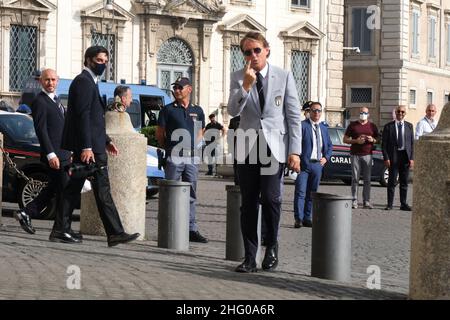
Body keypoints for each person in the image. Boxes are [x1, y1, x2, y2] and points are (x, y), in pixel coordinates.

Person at [227, 31, 302, 273]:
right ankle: (250, 256)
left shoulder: (284, 76)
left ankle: (271, 245)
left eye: (257, 50)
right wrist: (245, 87)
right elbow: (232, 111)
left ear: (266, 50)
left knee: (271, 199)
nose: (253, 56)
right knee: (248, 203)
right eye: (247, 52)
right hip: (248, 146)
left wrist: (295, 152)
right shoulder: (239, 77)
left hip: (274, 147)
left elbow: (293, 116)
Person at [60, 45, 140, 246]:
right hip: (90, 150)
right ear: (87, 60)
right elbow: (83, 116)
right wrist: (87, 146)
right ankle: (115, 233)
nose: (103, 65)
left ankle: (61, 229)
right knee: (102, 190)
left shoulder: (90, 81)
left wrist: (106, 140)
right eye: (99, 61)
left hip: (94, 146)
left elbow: (95, 119)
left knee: (74, 189)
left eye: (105, 61)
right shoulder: (83, 82)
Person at [14, 69, 72, 236]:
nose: (50, 83)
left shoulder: (57, 100)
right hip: (54, 155)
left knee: (55, 189)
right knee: (63, 190)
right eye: (47, 80)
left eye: (53, 80)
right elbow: (41, 130)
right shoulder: (40, 101)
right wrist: (50, 154)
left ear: (58, 80)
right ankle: (61, 229)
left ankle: (26, 213)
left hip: (63, 154)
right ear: (41, 81)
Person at [156, 77, 208, 243]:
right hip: (175, 156)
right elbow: (160, 133)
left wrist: (196, 147)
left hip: (192, 157)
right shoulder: (168, 110)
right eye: (175, 87)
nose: (177, 90)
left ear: (189, 89)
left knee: (191, 193)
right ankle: (167, 225)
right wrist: (169, 149)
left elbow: (201, 131)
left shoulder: (197, 110)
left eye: (180, 87)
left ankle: (191, 229)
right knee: (169, 191)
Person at [294, 102, 332, 228]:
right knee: (300, 192)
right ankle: (298, 218)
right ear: (309, 112)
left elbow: (329, 146)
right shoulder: (302, 126)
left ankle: (307, 217)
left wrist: (326, 158)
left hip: (317, 165)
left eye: (319, 111)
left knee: (312, 193)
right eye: (314, 110)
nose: (316, 113)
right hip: (304, 165)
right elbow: (296, 144)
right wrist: (296, 160)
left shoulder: (324, 128)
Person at [343, 106, 379, 209]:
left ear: (368, 114)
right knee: (355, 179)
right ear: (359, 113)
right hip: (355, 154)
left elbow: (378, 138)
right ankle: (354, 200)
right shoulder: (353, 125)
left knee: (367, 179)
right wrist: (356, 141)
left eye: (365, 113)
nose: (363, 114)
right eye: (361, 112)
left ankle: (366, 201)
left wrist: (373, 139)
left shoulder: (372, 126)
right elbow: (345, 139)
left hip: (368, 154)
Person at [382, 105, 414, 211]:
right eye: (398, 111)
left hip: (405, 157)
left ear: (405, 113)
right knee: (391, 181)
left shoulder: (409, 126)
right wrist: (386, 158)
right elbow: (384, 144)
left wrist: (412, 158)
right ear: (395, 113)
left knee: (404, 181)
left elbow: (412, 144)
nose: (400, 114)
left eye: (402, 112)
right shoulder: (388, 126)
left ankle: (403, 204)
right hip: (393, 156)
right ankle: (389, 204)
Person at [227, 115, 240, 185]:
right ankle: (237, 182)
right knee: (236, 166)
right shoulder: (233, 120)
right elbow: (230, 135)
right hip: (235, 146)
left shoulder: (251, 118)